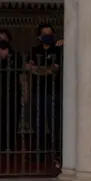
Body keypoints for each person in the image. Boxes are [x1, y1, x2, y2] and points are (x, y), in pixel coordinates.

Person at [25, 24, 64, 162]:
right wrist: (45, 70)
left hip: (54, 92)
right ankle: (39, 152)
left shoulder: (58, 50)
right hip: (38, 92)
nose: (47, 36)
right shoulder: (34, 50)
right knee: (38, 123)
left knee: (55, 124)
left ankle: (57, 152)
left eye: (50, 33)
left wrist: (39, 70)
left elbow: (54, 70)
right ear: (39, 36)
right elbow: (28, 67)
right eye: (44, 34)